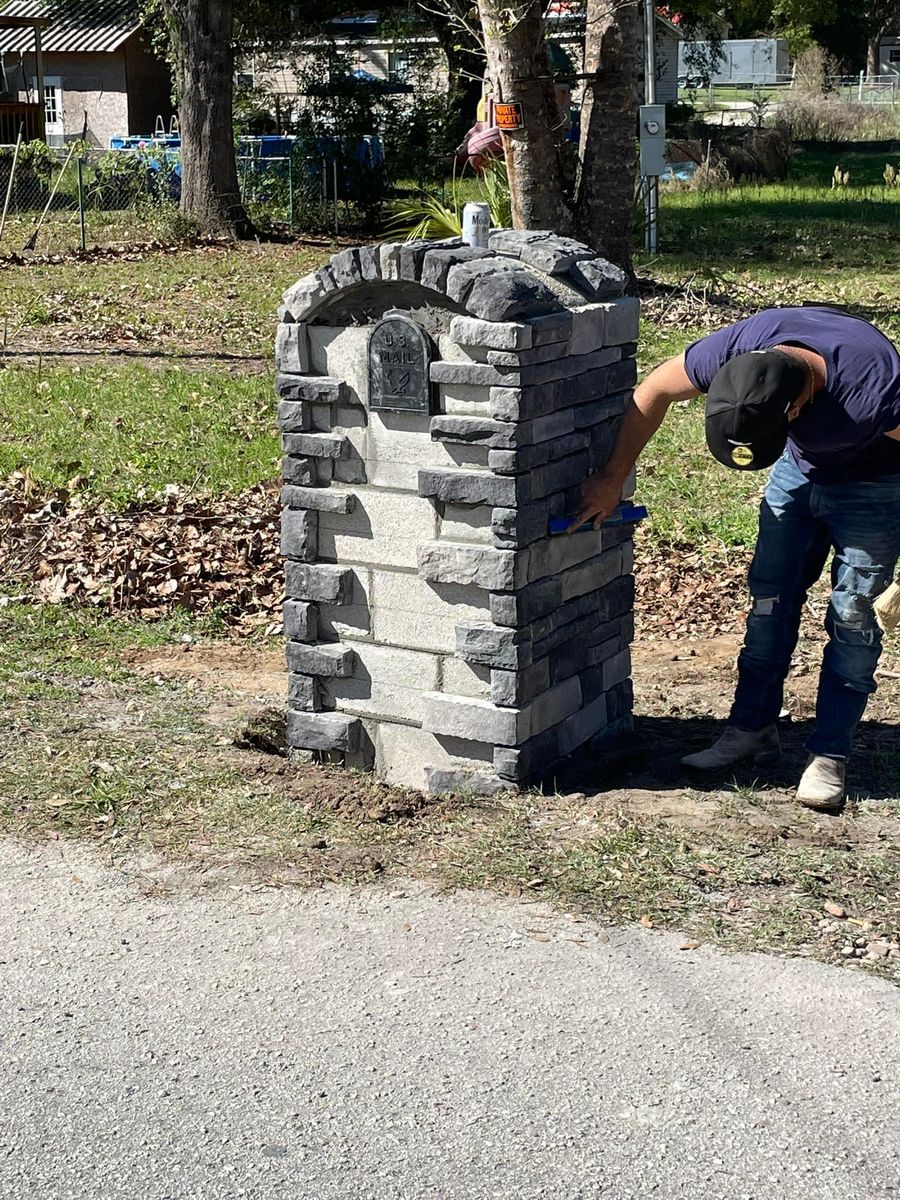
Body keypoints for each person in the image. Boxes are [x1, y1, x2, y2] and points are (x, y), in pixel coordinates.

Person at [574, 306, 900, 811]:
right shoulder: (734, 350)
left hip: (876, 486)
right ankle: (750, 730)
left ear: (794, 409)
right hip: (801, 472)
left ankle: (829, 754)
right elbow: (653, 391)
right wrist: (614, 477)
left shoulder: (873, 389)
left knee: (854, 618)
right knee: (770, 599)